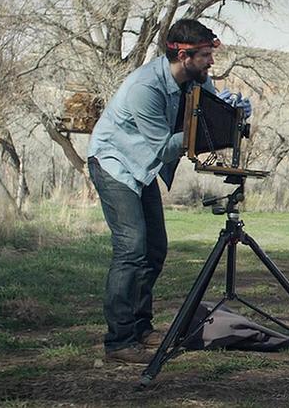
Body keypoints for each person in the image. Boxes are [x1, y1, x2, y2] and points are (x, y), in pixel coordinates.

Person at [87, 19, 250, 364]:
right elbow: (165, 147)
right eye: (205, 55)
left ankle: (141, 329)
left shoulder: (195, 80)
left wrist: (233, 113)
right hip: (115, 164)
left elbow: (211, 111)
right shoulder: (144, 88)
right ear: (183, 54)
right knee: (131, 251)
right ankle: (118, 342)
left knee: (155, 250)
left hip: (141, 168)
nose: (211, 62)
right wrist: (206, 128)